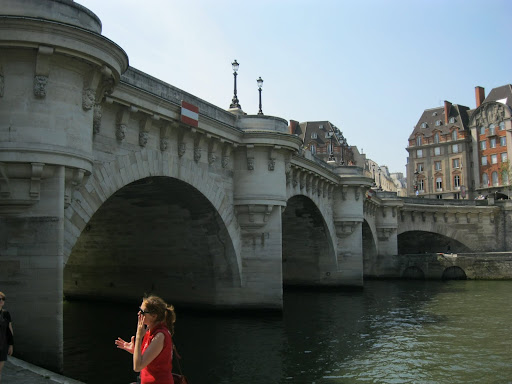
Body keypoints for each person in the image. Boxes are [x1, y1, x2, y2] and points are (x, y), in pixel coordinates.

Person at [115, 295, 176, 384]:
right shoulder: (150, 331)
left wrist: (139, 336)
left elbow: (137, 367)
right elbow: (149, 357)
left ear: (154, 316)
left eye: (142, 312)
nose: (139, 314)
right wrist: (136, 350)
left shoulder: (160, 335)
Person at [0, 291, 14, 383]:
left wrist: (11, 345)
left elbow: (9, 330)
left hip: (2, 345)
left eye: (3, 299)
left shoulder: (6, 313)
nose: (1, 301)